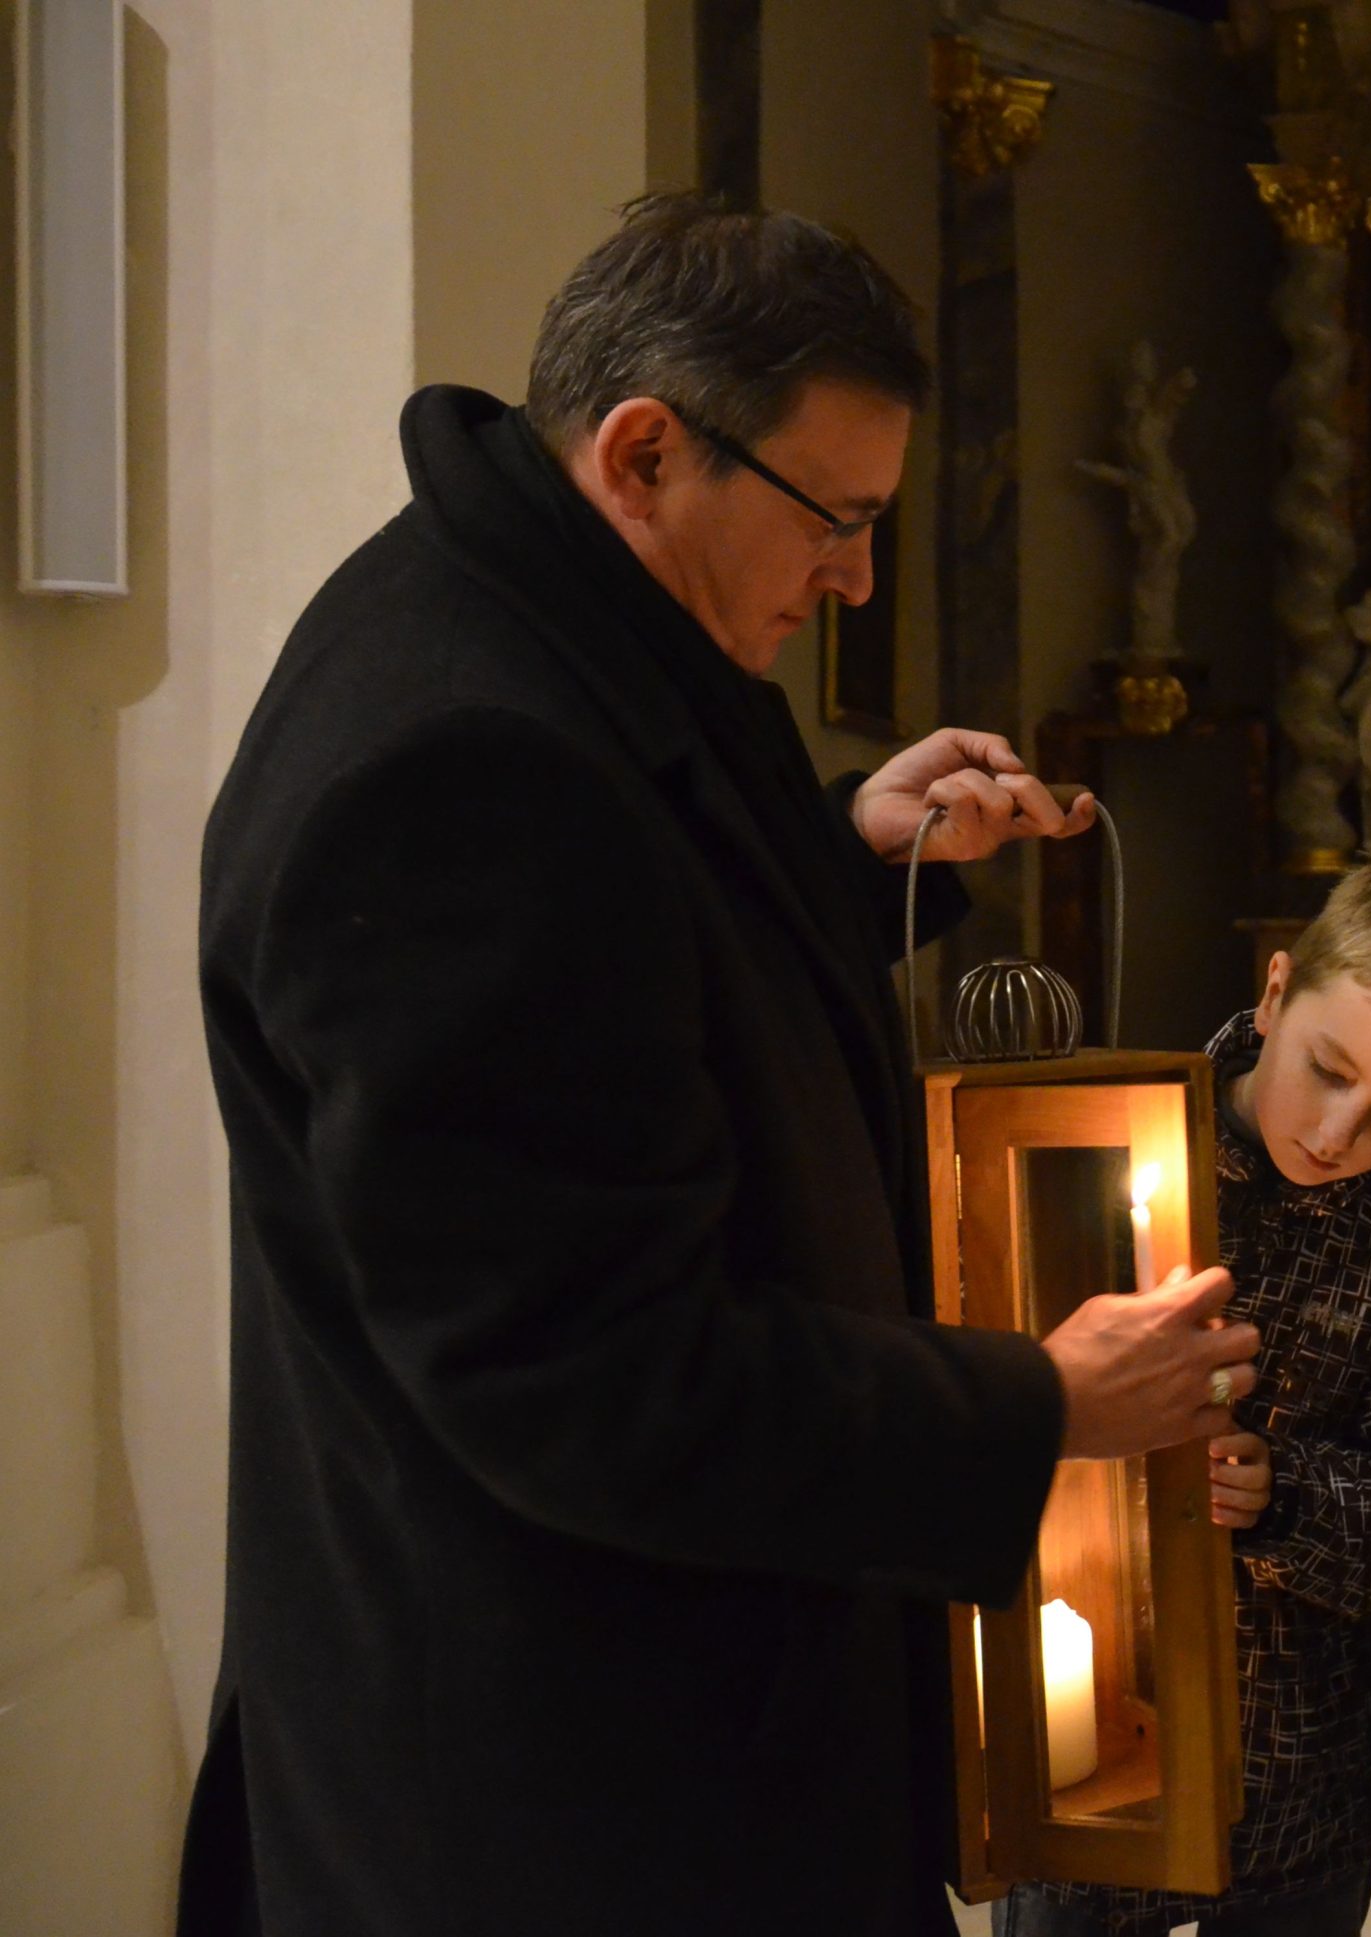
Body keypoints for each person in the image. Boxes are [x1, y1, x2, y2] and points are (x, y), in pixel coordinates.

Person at [179, 195, 1259, 1937]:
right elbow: (593, 1379)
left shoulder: (537, 622)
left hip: (646, 1729)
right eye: (839, 517)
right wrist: (1040, 1404)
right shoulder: (463, 765)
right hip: (572, 1800)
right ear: (644, 452)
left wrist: (844, 855)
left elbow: (610, 986)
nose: (853, 579)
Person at [1001, 842, 1371, 1937]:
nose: (1337, 1135)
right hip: (1092, 1740)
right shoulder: (1082, 1145)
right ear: (1276, 991)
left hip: (1303, 1769)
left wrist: (1287, 1491)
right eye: (1328, 1070)